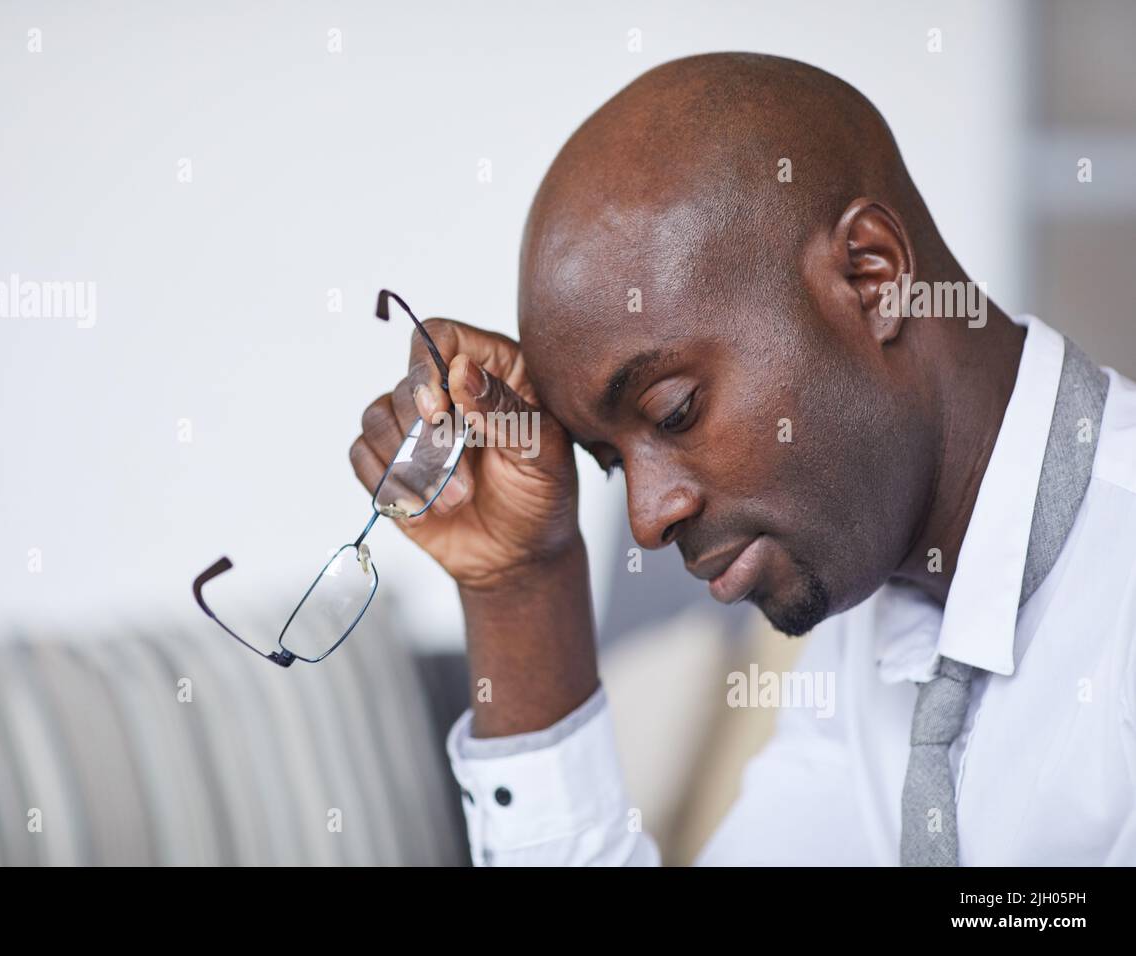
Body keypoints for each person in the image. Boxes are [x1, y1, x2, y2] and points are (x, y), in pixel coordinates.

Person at [347, 53, 1136, 865]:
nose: (649, 522)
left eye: (673, 409)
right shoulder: (870, 617)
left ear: (872, 277)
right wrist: (522, 586)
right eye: (611, 464)